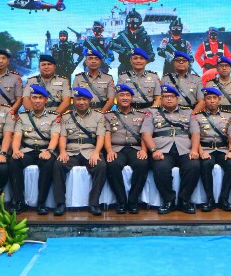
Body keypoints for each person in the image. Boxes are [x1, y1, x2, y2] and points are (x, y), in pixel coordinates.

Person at [141, 85, 200, 215]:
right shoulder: (152, 113)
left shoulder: (188, 112)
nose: (169, 99)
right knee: (160, 168)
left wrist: (194, 150)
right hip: (162, 149)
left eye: (172, 96)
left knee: (194, 166)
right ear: (161, 99)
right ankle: (169, 201)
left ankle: (184, 200)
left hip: (184, 148)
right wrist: (154, 150)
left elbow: (195, 133)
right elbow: (146, 134)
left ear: (177, 99)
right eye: (165, 97)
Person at [53, 87, 107, 216]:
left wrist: (96, 153)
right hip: (71, 151)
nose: (81, 102)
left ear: (89, 101)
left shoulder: (99, 116)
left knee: (101, 166)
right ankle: (60, 203)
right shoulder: (65, 117)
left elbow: (101, 137)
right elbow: (63, 137)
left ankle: (94, 203)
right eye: (78, 99)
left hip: (90, 151)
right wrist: (62, 151)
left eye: (84, 99)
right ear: (73, 101)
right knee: (58, 164)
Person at [9, 85, 60, 215]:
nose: (37, 101)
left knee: (49, 164)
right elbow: (17, 136)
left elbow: (55, 137)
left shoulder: (54, 117)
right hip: (27, 150)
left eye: (40, 98)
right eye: (34, 97)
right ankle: (19, 201)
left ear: (46, 100)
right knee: (14, 162)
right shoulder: (22, 116)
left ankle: (41, 203)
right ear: (30, 99)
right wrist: (15, 150)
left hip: (45, 150)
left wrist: (49, 151)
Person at [104, 84, 148, 214]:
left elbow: (145, 134)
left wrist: (144, 150)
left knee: (142, 164)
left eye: (128, 95)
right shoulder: (108, 116)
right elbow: (106, 135)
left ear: (132, 98)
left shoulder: (142, 115)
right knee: (112, 165)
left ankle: (133, 201)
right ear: (116, 98)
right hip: (117, 148)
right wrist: (109, 151)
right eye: (121, 95)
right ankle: (121, 201)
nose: (125, 98)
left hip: (135, 148)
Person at [196, 87, 231, 212]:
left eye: (214, 98)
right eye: (208, 98)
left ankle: (224, 199)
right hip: (206, 149)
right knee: (205, 164)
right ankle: (210, 199)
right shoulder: (197, 117)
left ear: (219, 100)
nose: (212, 101)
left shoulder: (229, 115)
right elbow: (194, 137)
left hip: (223, 149)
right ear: (204, 100)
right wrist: (201, 152)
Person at [109, 9, 155, 73]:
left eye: (135, 20)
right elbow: (111, 43)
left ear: (139, 21)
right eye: (130, 20)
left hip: (139, 69)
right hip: (124, 68)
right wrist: (124, 51)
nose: (132, 22)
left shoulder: (145, 37)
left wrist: (142, 59)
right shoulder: (121, 35)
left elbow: (151, 55)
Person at [72, 49, 115, 113]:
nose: (93, 61)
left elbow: (111, 101)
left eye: (96, 59)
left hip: (102, 113)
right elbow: (75, 99)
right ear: (86, 62)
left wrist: (100, 115)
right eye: (90, 58)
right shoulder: (78, 78)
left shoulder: (108, 78)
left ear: (100, 62)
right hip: (83, 113)